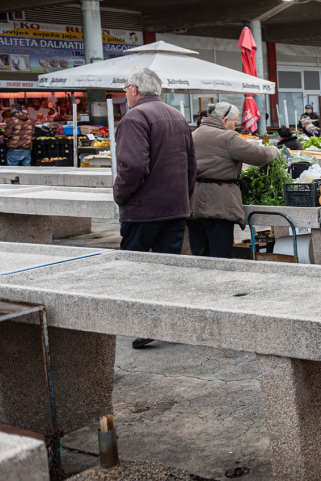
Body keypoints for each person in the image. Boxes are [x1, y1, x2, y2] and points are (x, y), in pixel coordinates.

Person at [113, 69, 196, 349]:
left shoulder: (135, 117)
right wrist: (184, 196)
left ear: (135, 89)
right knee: (169, 269)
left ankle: (145, 324)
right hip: (175, 206)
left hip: (143, 209)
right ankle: (169, 323)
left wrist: (120, 195)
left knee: (136, 271)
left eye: (125, 88)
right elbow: (191, 165)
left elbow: (133, 166)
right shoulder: (177, 115)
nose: (124, 93)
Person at [188, 102, 279, 259]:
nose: (235, 127)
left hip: (193, 202)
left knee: (199, 255)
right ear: (224, 121)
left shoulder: (193, 135)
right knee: (221, 256)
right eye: (234, 123)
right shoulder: (227, 137)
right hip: (219, 203)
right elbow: (259, 155)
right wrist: (274, 150)